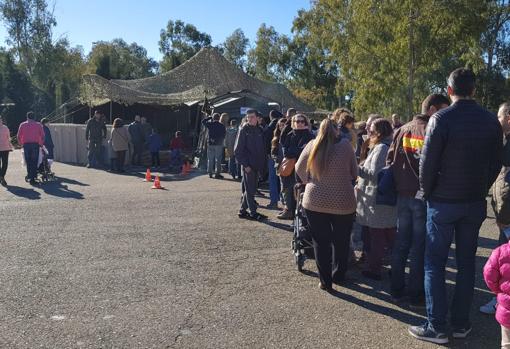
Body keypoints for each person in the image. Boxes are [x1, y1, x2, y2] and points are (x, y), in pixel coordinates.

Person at [409, 68, 503, 344]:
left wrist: (428, 193)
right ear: (474, 90)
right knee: (466, 264)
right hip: (473, 203)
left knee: (433, 264)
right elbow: (497, 161)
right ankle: (461, 323)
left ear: (449, 91)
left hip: (443, 203)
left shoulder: (441, 119)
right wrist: (481, 185)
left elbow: (427, 164)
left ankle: (436, 326)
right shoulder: (490, 121)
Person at [387, 94, 450, 308]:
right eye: (443, 110)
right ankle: (415, 295)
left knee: (401, 243)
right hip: (424, 196)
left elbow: (390, 160)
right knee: (419, 247)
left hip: (402, 196)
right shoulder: (432, 130)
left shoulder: (401, 129)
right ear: (432, 109)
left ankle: (395, 290)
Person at [295, 118, 358, 291]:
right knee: (341, 241)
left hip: (315, 200)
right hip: (343, 202)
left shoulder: (312, 145)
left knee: (320, 242)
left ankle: (325, 281)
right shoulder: (346, 146)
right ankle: (339, 275)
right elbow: (355, 172)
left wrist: (310, 181)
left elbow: (299, 167)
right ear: (336, 130)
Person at [356, 118, 396, 280]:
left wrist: (357, 169)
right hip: (384, 198)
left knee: (377, 235)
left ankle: (374, 269)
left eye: (370, 130)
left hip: (377, 199)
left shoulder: (381, 148)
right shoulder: (386, 145)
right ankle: (394, 267)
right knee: (388, 235)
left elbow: (375, 174)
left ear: (378, 132)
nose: (368, 133)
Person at [480, 102, 510, 315]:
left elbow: (508, 183)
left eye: (498, 117)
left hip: (507, 215)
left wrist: (504, 215)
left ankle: (501, 302)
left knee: (504, 263)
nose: (496, 121)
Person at [278, 114, 314, 220]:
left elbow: (308, 153)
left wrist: (295, 150)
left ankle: (300, 219)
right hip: (290, 169)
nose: (299, 123)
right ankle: (289, 211)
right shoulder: (289, 134)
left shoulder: (310, 136)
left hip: (304, 169)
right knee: (288, 191)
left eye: (302, 121)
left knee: (301, 194)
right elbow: (286, 153)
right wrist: (299, 149)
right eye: (296, 121)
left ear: (306, 122)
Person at [234, 109, 267, 221]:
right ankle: (253, 212)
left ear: (257, 118)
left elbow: (263, 148)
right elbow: (237, 151)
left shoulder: (260, 130)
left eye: (252, 117)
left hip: (257, 165)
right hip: (248, 166)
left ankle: (242, 211)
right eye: (248, 117)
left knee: (250, 189)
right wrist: (245, 165)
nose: (250, 119)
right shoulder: (244, 130)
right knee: (250, 190)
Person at [483, 236, 510, 349]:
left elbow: (489, 274)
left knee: (506, 344)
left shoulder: (500, 252)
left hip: (507, 310)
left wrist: (498, 291)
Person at [17, 111, 44, 185]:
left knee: (28, 161)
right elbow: (42, 136)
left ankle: (29, 176)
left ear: (27, 117)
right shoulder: (38, 125)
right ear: (34, 117)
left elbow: (18, 136)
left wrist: (21, 144)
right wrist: (41, 144)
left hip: (26, 145)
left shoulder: (22, 125)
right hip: (35, 145)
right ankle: (33, 178)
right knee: (34, 161)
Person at [265, 110, 282, 208]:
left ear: (271, 117)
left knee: (272, 179)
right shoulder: (284, 125)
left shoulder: (269, 128)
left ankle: (274, 202)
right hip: (283, 156)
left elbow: (266, 142)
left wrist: (268, 153)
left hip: (272, 156)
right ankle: (284, 202)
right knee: (283, 179)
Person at [202, 113, 226, 179]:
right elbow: (224, 135)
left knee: (210, 159)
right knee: (218, 159)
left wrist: (209, 117)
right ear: (219, 118)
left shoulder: (210, 124)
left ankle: (210, 173)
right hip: (218, 144)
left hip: (210, 143)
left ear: (213, 118)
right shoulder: (222, 125)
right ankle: (217, 173)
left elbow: (203, 121)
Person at [0, 116, 13, 186]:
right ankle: (2, 176)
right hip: (5, 148)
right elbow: (8, 138)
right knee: (5, 163)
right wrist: (10, 146)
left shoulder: (5, 128)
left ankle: (1, 176)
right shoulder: (5, 128)